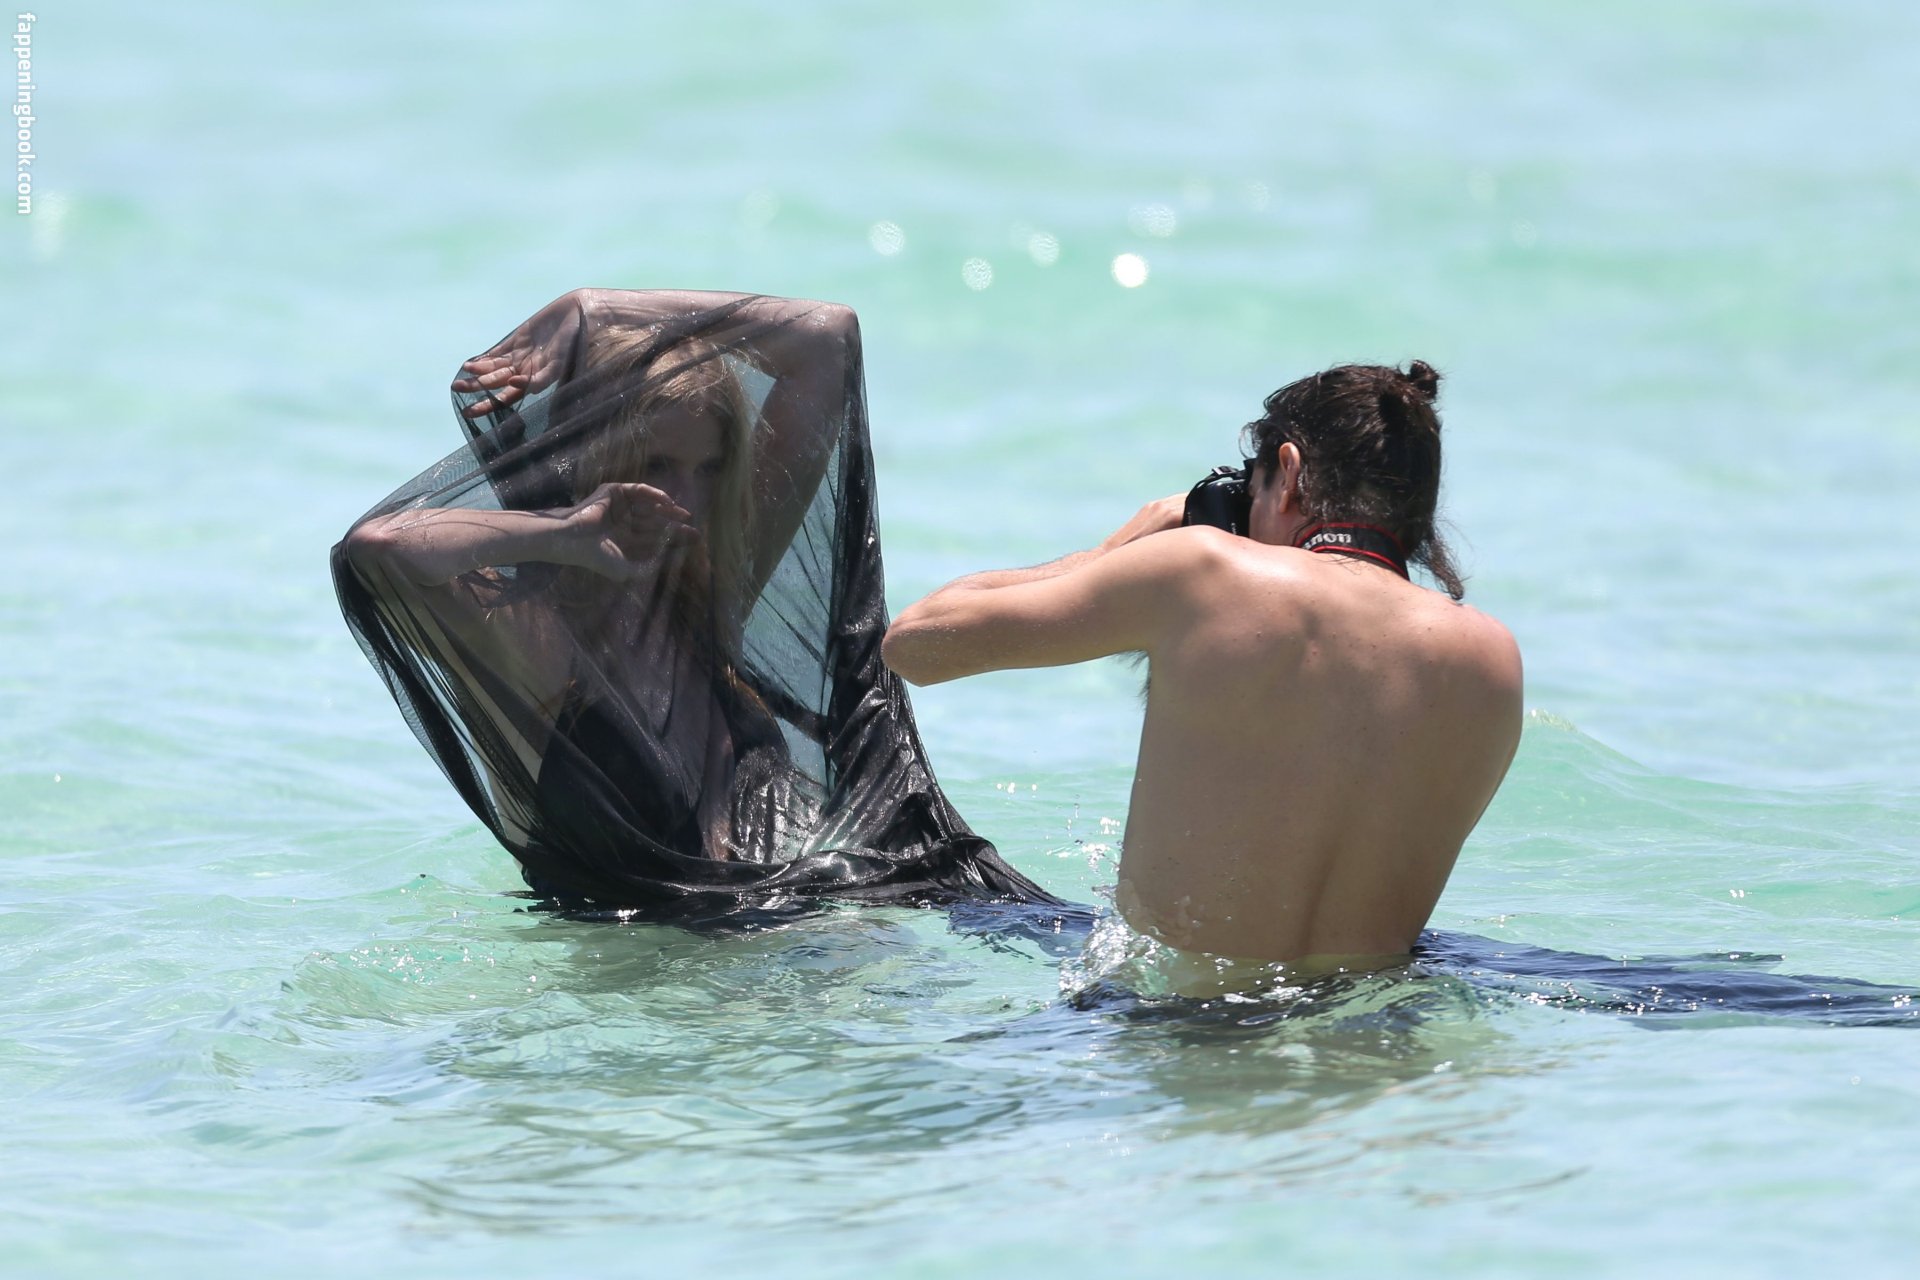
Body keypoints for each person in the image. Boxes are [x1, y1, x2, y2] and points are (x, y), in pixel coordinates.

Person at [333, 289, 1055, 913]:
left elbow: (826, 338)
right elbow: (377, 548)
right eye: (655, 464)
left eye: (708, 467)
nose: (685, 497)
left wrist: (597, 308)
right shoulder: (532, 632)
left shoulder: (709, 599)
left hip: (792, 948)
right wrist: (568, 534)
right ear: (595, 463)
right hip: (651, 996)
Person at [882, 361, 1523, 977]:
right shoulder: (1490, 655)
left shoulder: (1205, 570)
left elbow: (915, 644)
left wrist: (1120, 549)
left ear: (1289, 471)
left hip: (1180, 1019)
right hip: (1379, 1022)